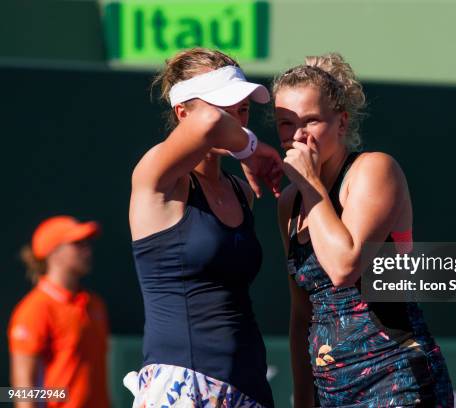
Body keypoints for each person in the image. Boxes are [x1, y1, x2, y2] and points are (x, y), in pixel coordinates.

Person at [274, 53, 454, 407]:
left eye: (311, 121)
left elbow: (344, 267)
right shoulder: (289, 204)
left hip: (396, 378)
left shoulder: (374, 170)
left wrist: (311, 185)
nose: (297, 136)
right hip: (332, 392)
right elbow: (302, 314)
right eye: (284, 123)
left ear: (341, 123)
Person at [127, 48, 280, 407]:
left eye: (243, 107)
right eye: (226, 106)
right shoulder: (158, 178)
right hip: (181, 383)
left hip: (249, 385)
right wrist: (250, 148)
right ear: (182, 112)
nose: (239, 118)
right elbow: (209, 123)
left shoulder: (242, 190)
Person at [8, 215, 110, 408]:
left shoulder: (95, 304)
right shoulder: (34, 309)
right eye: (77, 244)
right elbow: (21, 389)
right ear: (54, 253)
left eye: (87, 243)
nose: (87, 250)